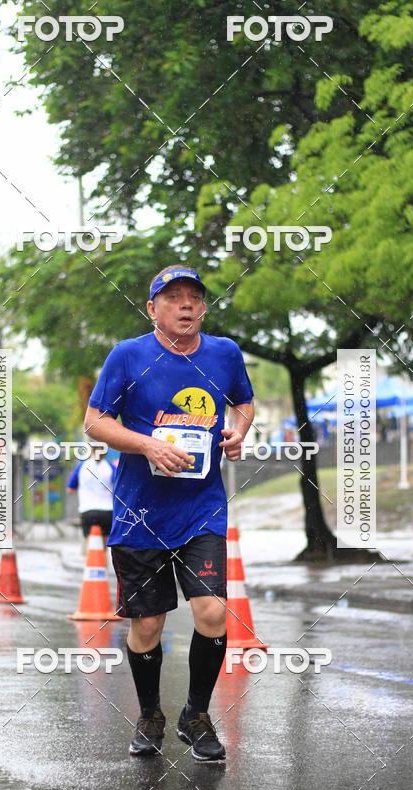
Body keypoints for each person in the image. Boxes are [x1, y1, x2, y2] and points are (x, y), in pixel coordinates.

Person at [84, 264, 254, 762]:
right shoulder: (128, 355)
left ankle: (196, 715)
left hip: (202, 509)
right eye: (174, 298)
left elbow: (243, 402)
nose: (186, 306)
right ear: (152, 307)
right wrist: (147, 446)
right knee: (148, 626)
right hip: (140, 514)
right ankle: (150, 714)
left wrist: (239, 432)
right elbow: (95, 422)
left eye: (194, 298)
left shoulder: (225, 353)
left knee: (213, 613)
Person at [66, 444, 117, 548]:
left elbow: (70, 489)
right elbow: (118, 487)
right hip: (107, 510)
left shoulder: (81, 466)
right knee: (105, 543)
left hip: (87, 509)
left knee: (90, 542)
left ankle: (91, 559)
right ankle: (103, 560)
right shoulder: (110, 467)